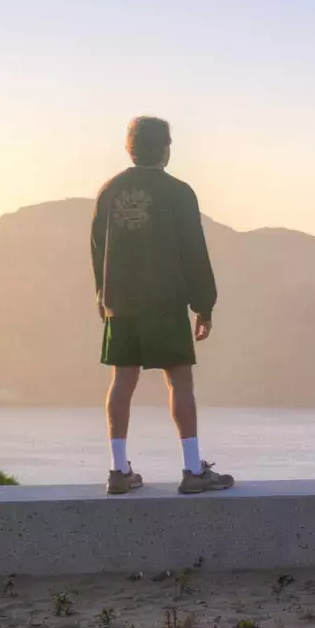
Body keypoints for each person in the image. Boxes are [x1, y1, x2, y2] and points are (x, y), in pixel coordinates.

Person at [91, 116, 233, 495]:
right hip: (165, 302)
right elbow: (193, 251)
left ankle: (118, 471)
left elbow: (97, 252)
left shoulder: (109, 191)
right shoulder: (178, 192)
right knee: (180, 380)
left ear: (129, 148)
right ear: (166, 148)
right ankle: (192, 470)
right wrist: (205, 306)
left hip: (120, 304)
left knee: (122, 381)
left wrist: (103, 300)